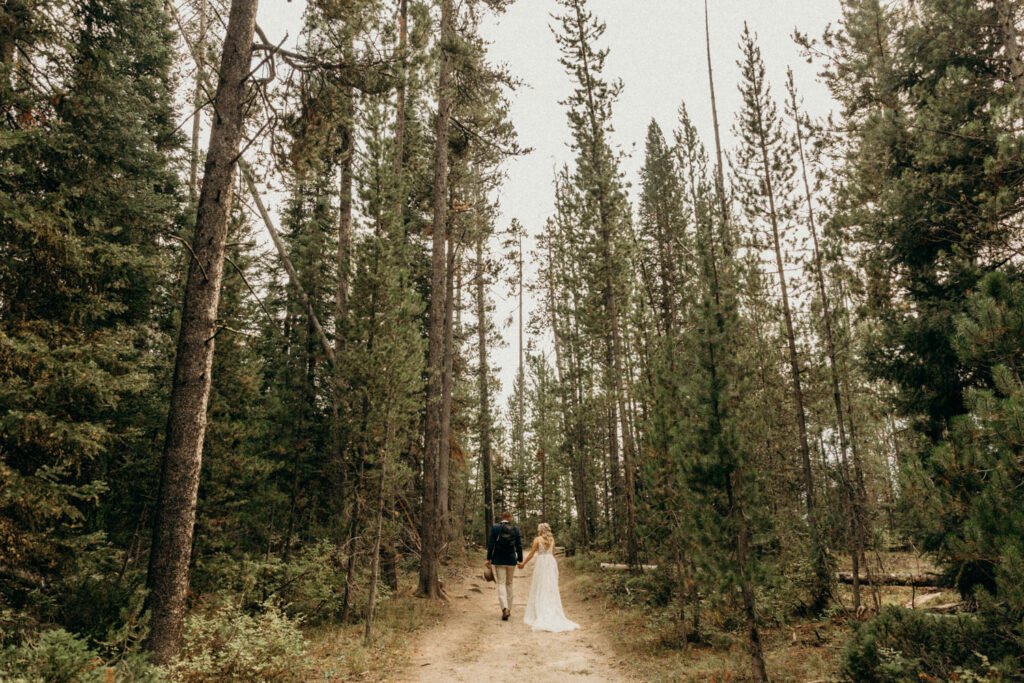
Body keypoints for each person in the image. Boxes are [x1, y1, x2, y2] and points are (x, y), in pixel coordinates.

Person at [519, 522, 580, 632]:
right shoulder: (552, 540)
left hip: (541, 563)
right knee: (550, 586)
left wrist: (523, 563)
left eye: (538, 529)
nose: (537, 531)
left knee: (541, 586)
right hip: (550, 563)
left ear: (541, 530)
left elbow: (532, 554)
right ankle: (550, 608)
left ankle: (541, 611)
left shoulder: (537, 540)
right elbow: (552, 553)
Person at [485, 510, 523, 621]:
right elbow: (519, 546)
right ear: (510, 518)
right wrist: (520, 560)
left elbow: (491, 544)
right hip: (511, 560)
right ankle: (509, 608)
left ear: (502, 518)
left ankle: (504, 608)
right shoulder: (515, 529)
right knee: (509, 583)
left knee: (501, 583)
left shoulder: (495, 528)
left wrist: (488, 558)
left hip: (499, 560)